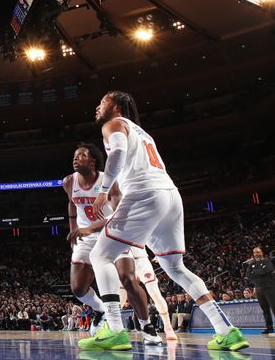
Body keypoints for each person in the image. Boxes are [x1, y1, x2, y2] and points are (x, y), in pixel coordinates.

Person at [78, 92, 249, 351]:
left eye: (101, 102)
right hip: (170, 196)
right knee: (175, 268)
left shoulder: (113, 124)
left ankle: (114, 329)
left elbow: (118, 154)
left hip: (144, 195)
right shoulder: (143, 133)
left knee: (100, 256)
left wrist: (103, 190)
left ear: (114, 106)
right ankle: (226, 331)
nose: (97, 106)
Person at [63, 143, 119, 335]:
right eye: (74, 156)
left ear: (93, 161)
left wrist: (90, 228)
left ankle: (138, 326)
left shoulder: (108, 180)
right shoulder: (69, 182)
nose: (75, 158)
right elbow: (71, 204)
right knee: (77, 288)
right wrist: (74, 230)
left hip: (109, 233)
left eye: (81, 155)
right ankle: (100, 309)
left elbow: (117, 214)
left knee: (126, 279)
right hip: (85, 235)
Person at [118, 247, 178, 340]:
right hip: (122, 260)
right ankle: (113, 326)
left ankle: (168, 327)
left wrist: (158, 253)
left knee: (155, 293)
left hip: (141, 259)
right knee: (121, 296)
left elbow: (152, 235)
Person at [243, 246, 275, 335]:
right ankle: (269, 328)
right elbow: (248, 276)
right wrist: (259, 272)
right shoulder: (251, 264)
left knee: (274, 308)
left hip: (270, 288)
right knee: (265, 310)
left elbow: (264, 271)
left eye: (258, 252)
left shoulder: (267, 261)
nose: (256, 254)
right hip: (258, 289)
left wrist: (255, 272)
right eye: (254, 252)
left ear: (262, 253)